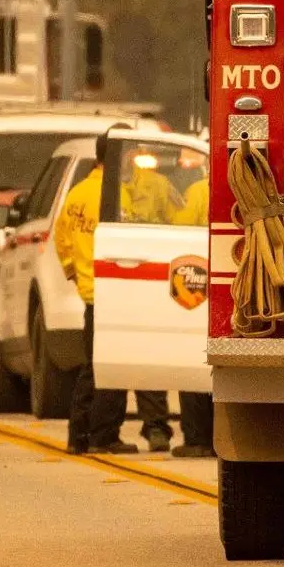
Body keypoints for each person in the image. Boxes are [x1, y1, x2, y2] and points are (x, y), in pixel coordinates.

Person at [118, 142, 215, 458]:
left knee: (179, 357)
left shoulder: (196, 191)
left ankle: (186, 433)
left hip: (187, 281)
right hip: (214, 285)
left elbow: (179, 231)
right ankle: (192, 434)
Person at [56, 124, 137, 454]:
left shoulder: (76, 194)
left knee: (91, 365)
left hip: (90, 290)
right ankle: (104, 435)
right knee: (111, 366)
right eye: (131, 153)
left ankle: (78, 435)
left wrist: (75, 274)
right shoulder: (117, 193)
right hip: (112, 290)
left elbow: (62, 241)